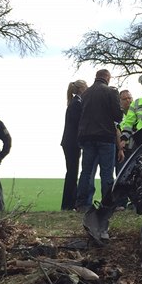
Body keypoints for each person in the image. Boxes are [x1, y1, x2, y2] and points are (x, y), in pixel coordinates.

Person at [75, 69, 123, 212]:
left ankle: (82, 204)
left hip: (87, 137)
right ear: (108, 78)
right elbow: (117, 117)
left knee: (87, 172)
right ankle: (107, 204)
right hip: (105, 137)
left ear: (96, 77)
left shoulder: (85, 94)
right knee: (107, 172)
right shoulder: (111, 92)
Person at [60, 80, 88, 211]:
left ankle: (69, 203)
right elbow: (79, 124)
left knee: (71, 172)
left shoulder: (73, 102)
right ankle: (68, 204)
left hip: (68, 142)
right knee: (72, 172)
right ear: (82, 89)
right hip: (72, 143)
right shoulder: (77, 104)